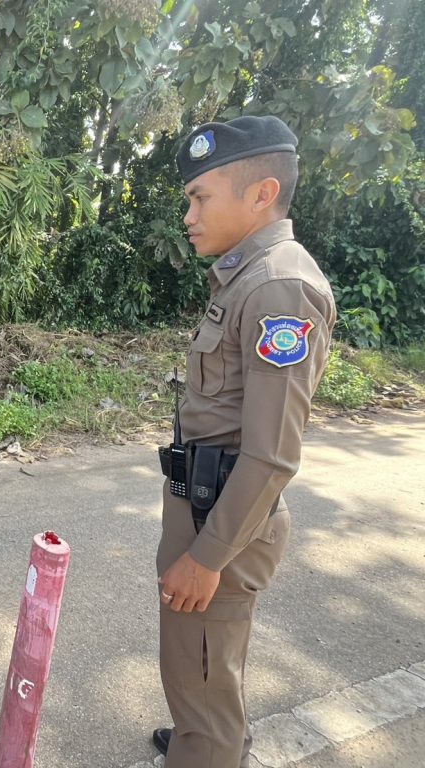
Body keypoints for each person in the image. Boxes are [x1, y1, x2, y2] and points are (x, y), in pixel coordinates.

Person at [152, 115, 336, 767]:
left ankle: (207, 748)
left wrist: (207, 557)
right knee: (201, 670)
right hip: (207, 503)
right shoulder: (249, 275)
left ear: (261, 194)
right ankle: (203, 738)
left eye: (200, 198)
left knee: (203, 682)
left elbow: (272, 453)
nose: (189, 216)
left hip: (222, 521)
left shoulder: (279, 287)